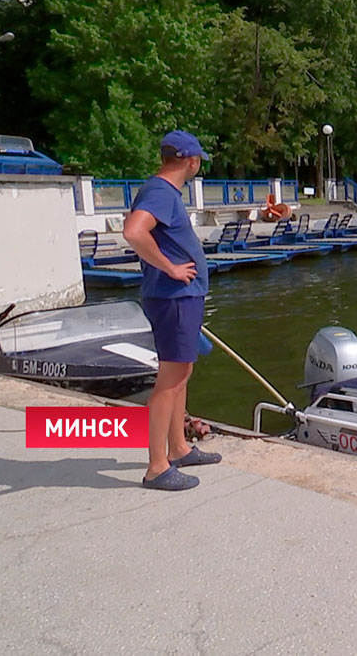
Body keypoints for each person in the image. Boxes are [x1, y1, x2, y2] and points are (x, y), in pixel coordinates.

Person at [122, 130, 221, 491]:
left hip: (181, 298)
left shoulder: (161, 191)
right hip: (173, 298)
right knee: (170, 378)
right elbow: (133, 232)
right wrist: (171, 267)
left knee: (182, 372)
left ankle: (178, 447)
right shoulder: (162, 192)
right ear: (191, 161)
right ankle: (157, 467)